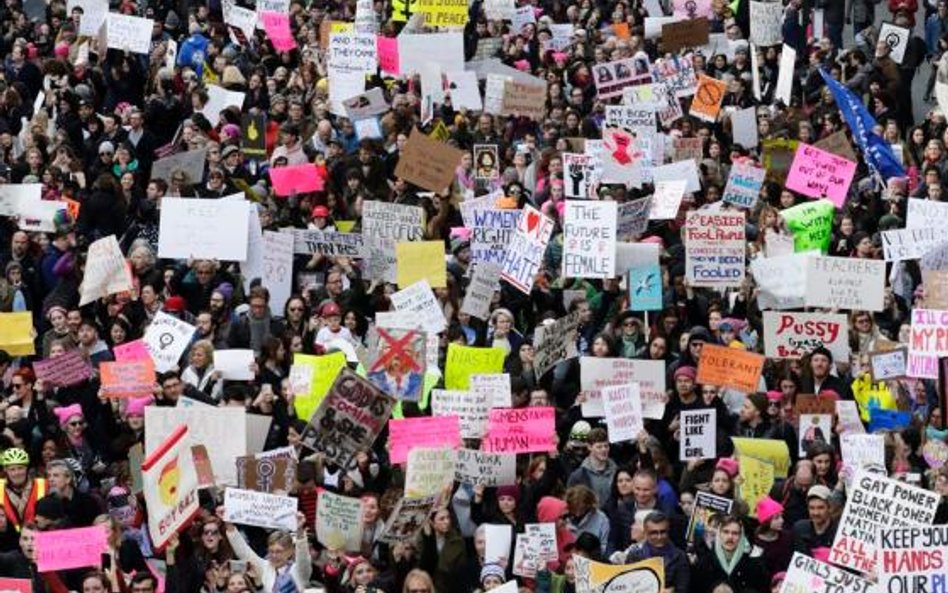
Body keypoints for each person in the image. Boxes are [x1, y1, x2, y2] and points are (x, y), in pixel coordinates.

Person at [617, 511, 690, 593]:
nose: (659, 537)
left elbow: (683, 588)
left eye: (663, 532)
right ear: (645, 533)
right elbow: (627, 585)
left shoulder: (680, 557)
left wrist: (671, 591)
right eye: (653, 533)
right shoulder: (635, 555)